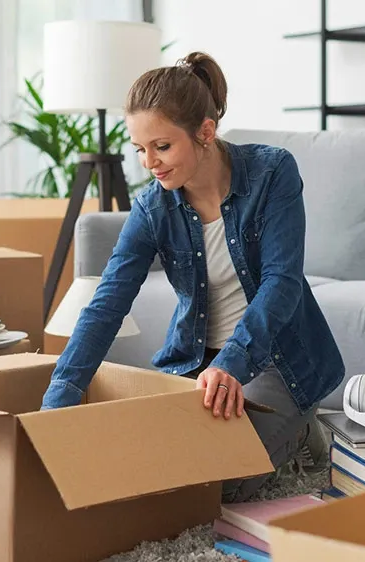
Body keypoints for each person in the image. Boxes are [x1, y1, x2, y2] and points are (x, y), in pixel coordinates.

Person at [40, 51, 346, 503]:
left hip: (276, 363)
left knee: (216, 485)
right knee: (152, 466)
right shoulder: (152, 208)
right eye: (140, 149)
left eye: (162, 146)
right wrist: (58, 399)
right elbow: (107, 304)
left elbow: (282, 282)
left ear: (205, 132)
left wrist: (232, 364)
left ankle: (303, 435)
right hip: (194, 363)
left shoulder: (273, 172)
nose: (150, 163)